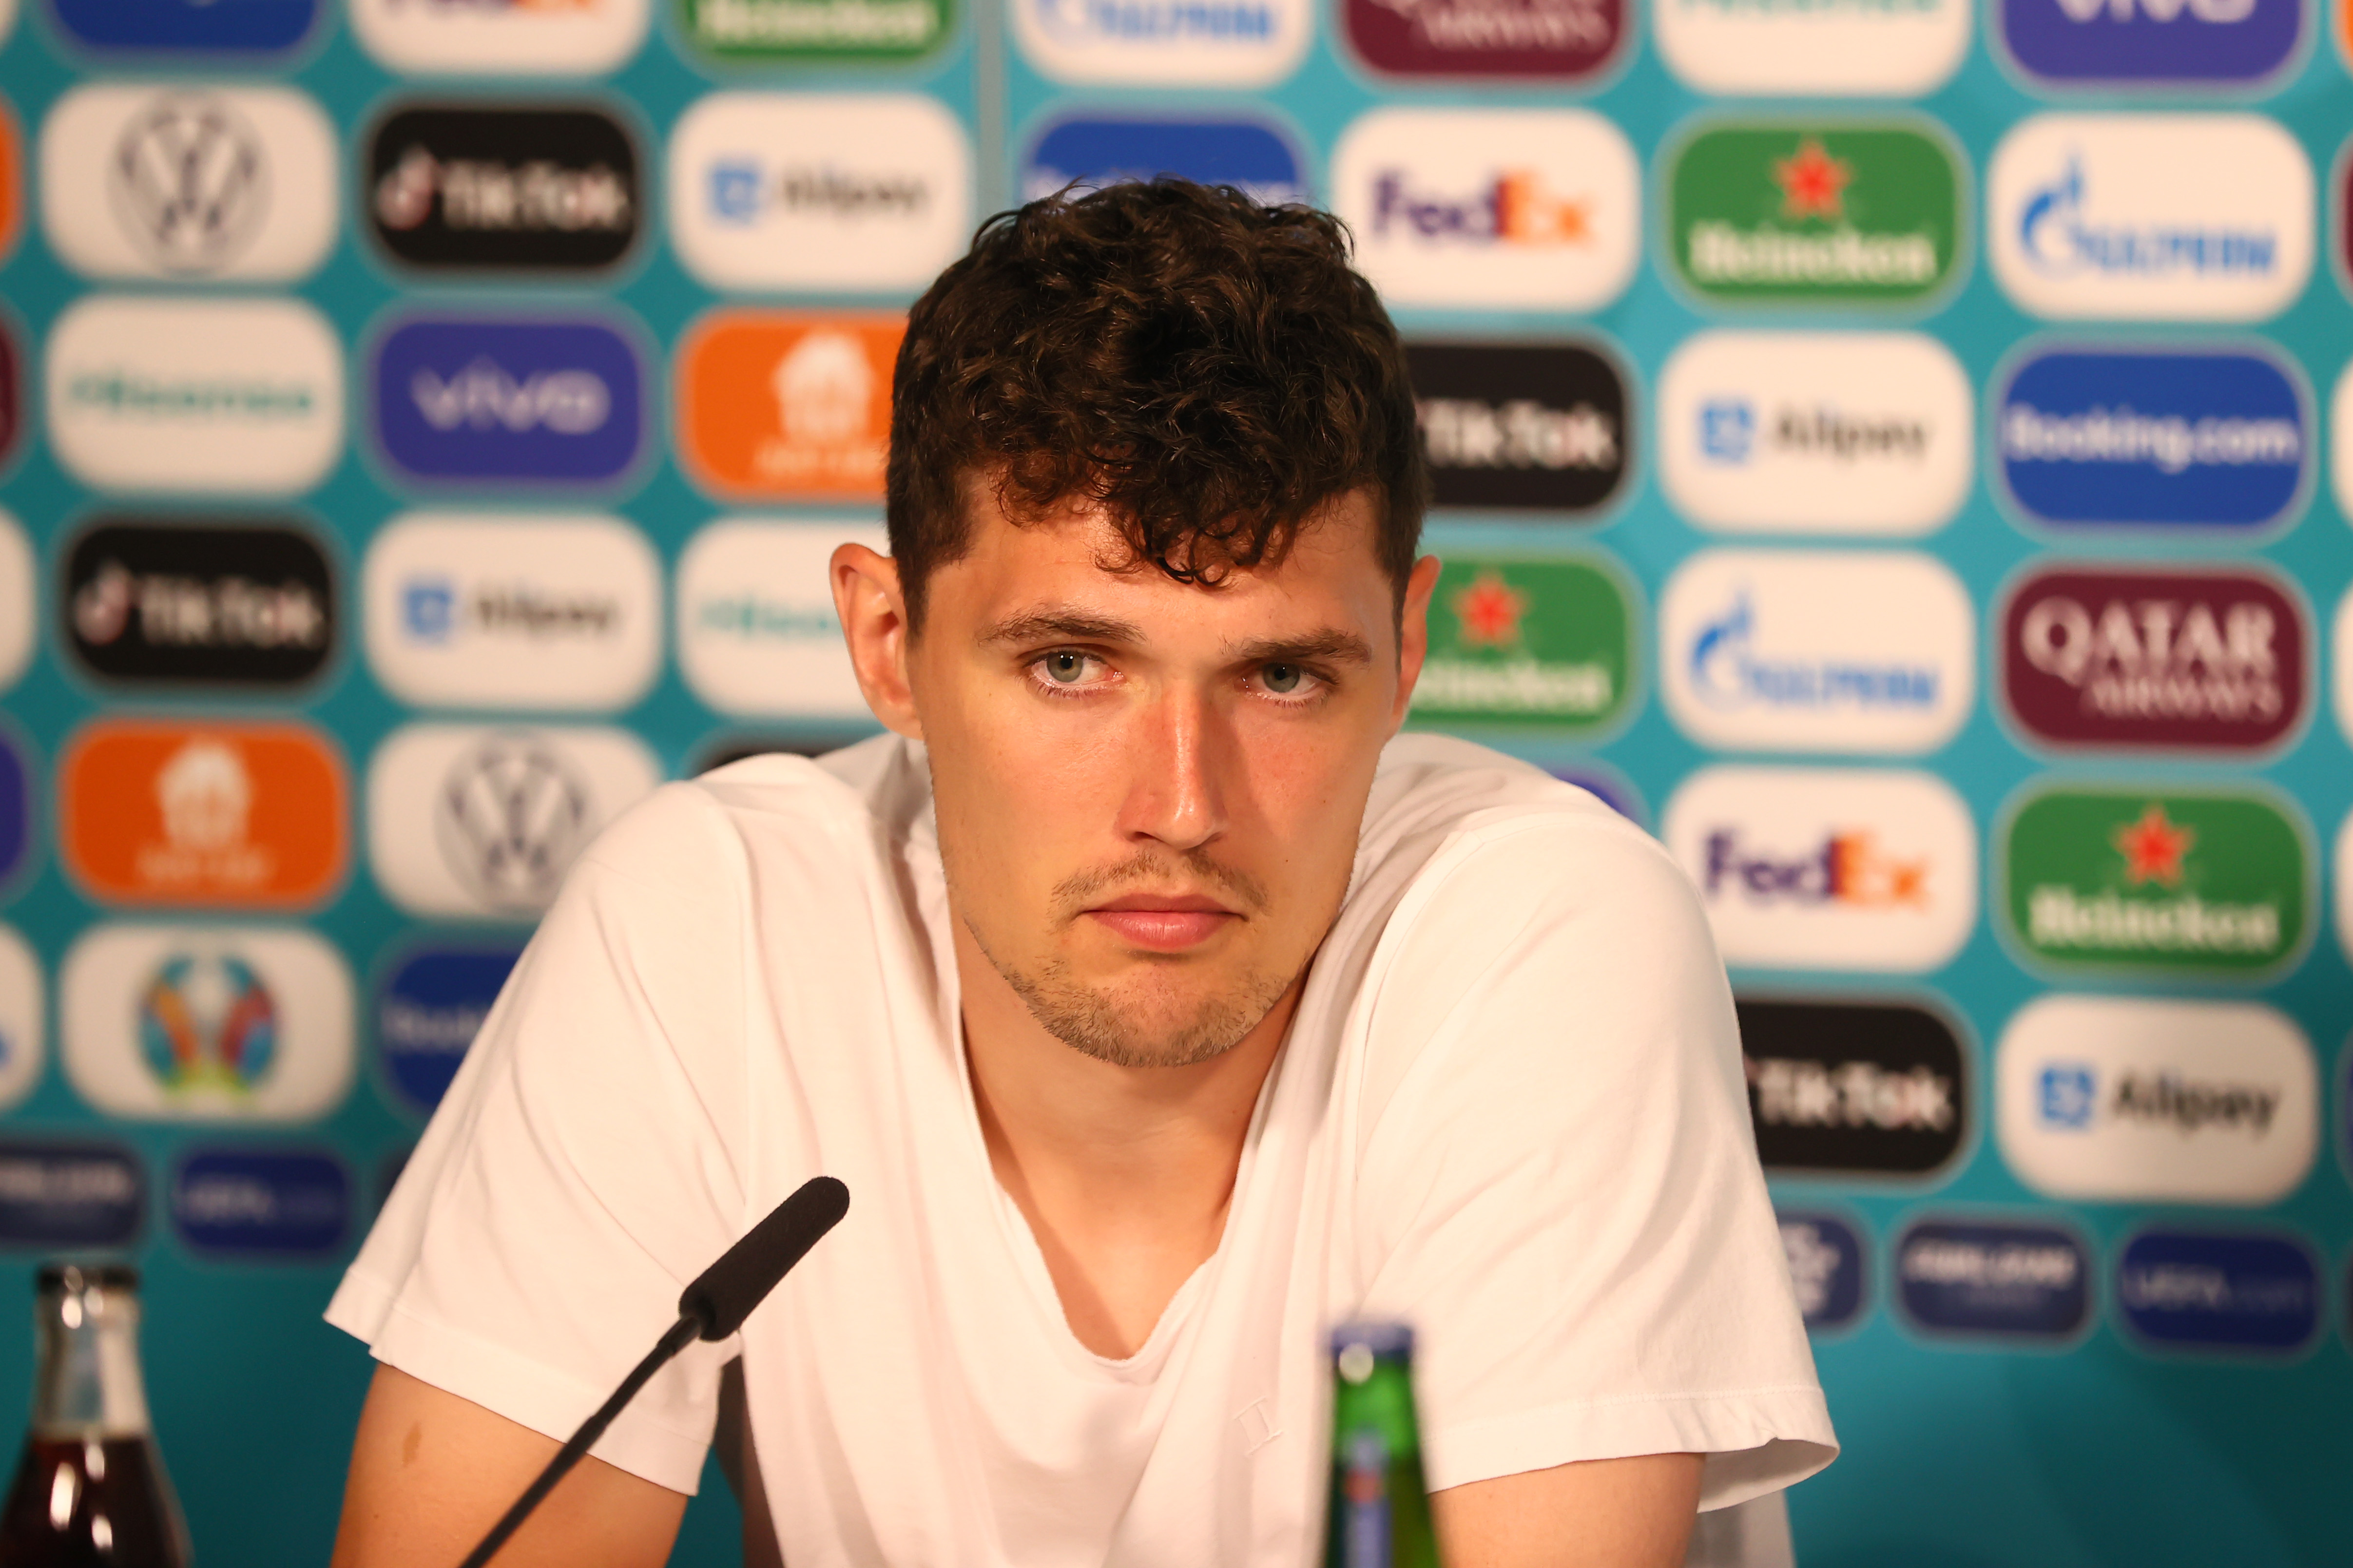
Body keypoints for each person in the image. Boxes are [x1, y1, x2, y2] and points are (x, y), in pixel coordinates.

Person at [326, 179, 1835, 1568]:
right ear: (888, 645)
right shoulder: (709, 920)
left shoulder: (1542, 934)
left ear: (1405, 652)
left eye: (1282, 678)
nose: (1179, 805)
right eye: (1069, 663)